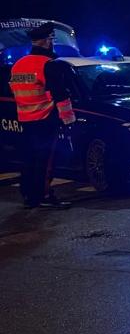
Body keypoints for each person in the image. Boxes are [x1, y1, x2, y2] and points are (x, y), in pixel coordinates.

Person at [9, 23, 76, 208]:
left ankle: (29, 195)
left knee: (29, 158)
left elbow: (15, 90)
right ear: (47, 42)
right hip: (45, 118)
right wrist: (68, 120)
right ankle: (44, 195)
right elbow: (60, 94)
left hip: (25, 119)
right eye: (51, 40)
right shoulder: (48, 64)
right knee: (45, 161)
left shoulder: (18, 65)